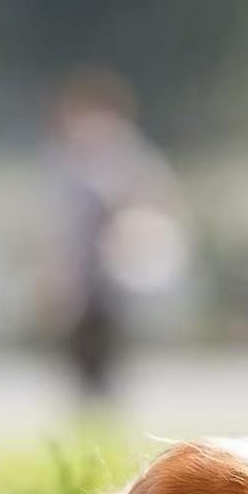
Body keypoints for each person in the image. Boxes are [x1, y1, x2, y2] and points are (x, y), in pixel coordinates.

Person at [42, 70, 187, 397]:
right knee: (78, 351)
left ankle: (103, 399)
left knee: (107, 347)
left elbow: (157, 203)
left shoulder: (127, 156)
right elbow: (59, 226)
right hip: (81, 275)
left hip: (116, 271)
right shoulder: (65, 160)